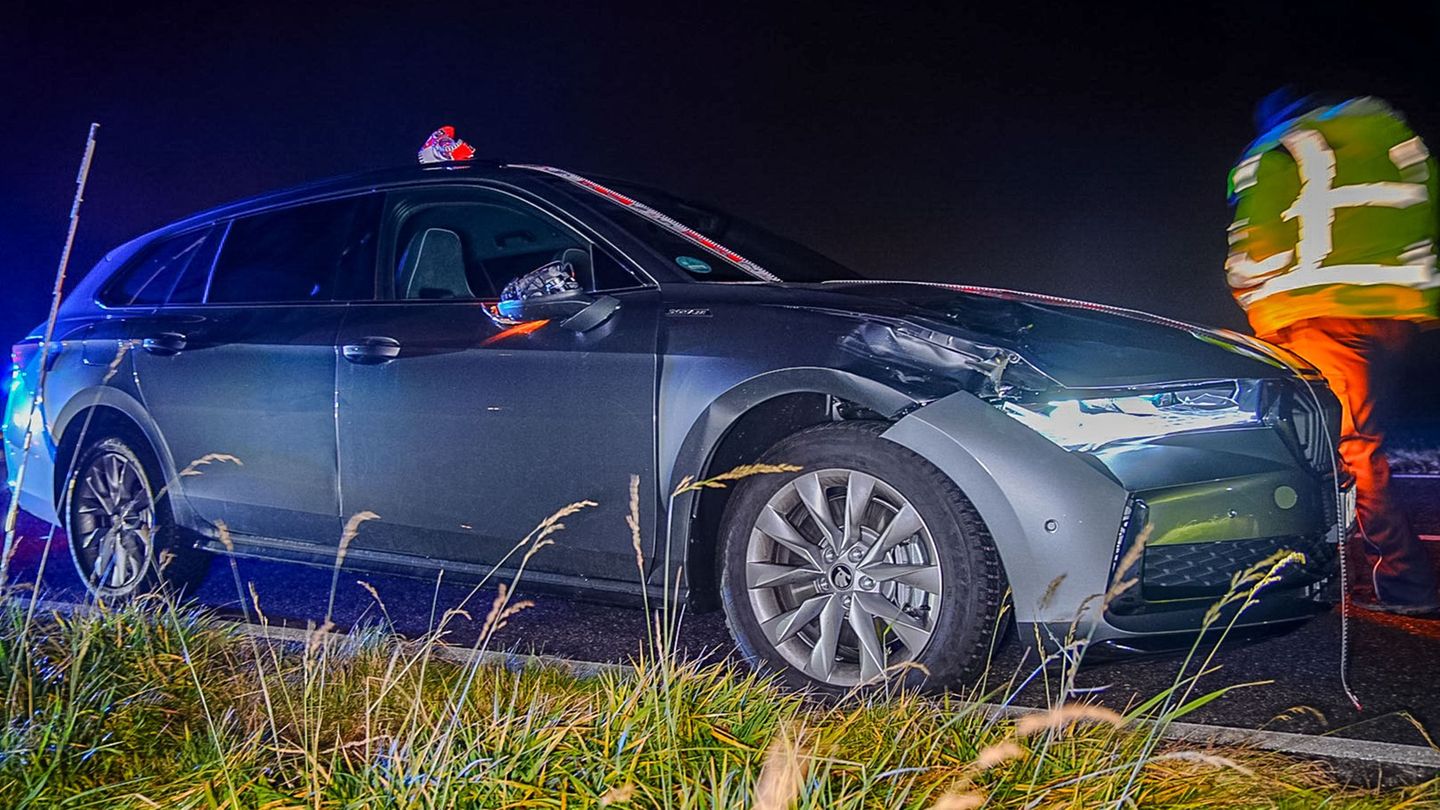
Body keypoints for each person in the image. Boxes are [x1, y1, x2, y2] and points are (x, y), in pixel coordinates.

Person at [1226, 90, 1440, 616]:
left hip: (1315, 317)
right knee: (1354, 444)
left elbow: (1255, 248)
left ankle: (1405, 583)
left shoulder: (1281, 150)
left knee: (1334, 447)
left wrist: (1257, 307)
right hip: (1392, 319)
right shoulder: (1397, 142)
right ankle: (1346, 565)